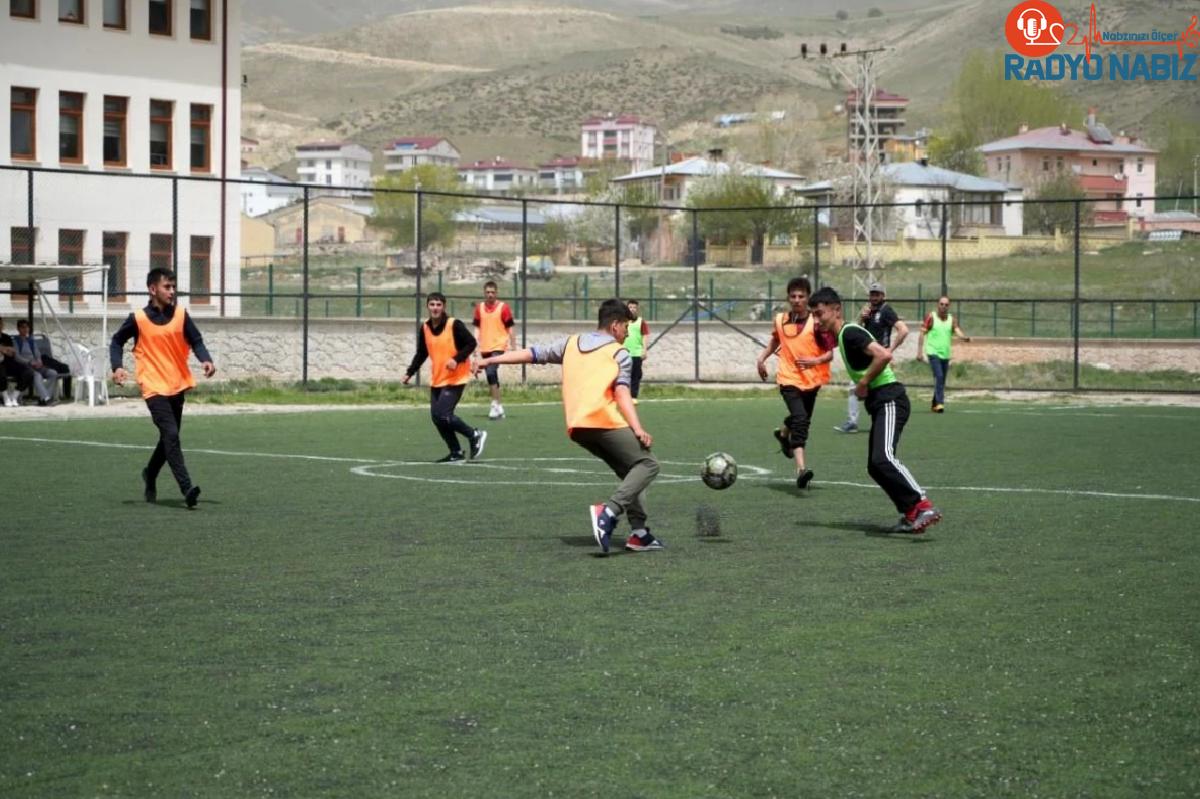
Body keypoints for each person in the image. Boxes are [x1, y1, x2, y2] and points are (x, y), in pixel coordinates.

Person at [476, 298, 662, 554]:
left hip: (577, 426)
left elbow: (533, 354)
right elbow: (621, 394)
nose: (628, 332)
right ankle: (608, 513)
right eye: (626, 327)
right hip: (602, 420)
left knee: (630, 472)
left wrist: (492, 361)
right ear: (615, 325)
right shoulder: (620, 353)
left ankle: (639, 533)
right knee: (648, 464)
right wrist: (638, 428)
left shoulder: (570, 343)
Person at [809, 286, 942, 534]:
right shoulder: (842, 336)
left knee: (884, 458)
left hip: (890, 398)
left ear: (836, 310)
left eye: (820, 313)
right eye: (813, 315)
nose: (817, 320)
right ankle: (911, 515)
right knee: (875, 465)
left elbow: (883, 356)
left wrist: (862, 383)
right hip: (880, 402)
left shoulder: (849, 332)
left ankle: (922, 505)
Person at [109, 268, 215, 508]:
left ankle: (150, 473)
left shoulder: (180, 315)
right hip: (153, 387)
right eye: (167, 287)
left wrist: (205, 359)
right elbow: (116, 341)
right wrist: (117, 367)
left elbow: (196, 340)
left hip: (176, 385)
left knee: (168, 439)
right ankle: (187, 488)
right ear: (153, 289)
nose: (172, 291)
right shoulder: (138, 319)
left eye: (174, 287)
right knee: (171, 435)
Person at [755, 276, 835, 490]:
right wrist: (761, 358)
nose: (797, 299)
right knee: (801, 420)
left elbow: (829, 354)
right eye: (793, 296)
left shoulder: (817, 323)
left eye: (801, 296)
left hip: (811, 381)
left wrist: (815, 360)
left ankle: (783, 434)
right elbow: (775, 339)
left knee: (801, 417)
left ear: (808, 298)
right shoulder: (781, 320)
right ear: (788, 298)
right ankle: (801, 470)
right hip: (788, 378)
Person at [404, 292, 488, 463]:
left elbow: (471, 343)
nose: (435, 308)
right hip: (438, 379)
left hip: (456, 377)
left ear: (444, 307)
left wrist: (456, 359)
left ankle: (474, 434)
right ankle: (456, 452)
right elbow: (422, 353)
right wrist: (410, 372)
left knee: (444, 414)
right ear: (427, 306)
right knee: (436, 417)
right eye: (432, 304)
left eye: (438, 304)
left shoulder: (453, 324)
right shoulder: (425, 328)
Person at [834, 282, 908, 433]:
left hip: (877, 358)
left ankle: (857, 422)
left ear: (883, 296)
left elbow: (903, 330)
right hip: (866, 356)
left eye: (877, 294)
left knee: (867, 389)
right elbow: (858, 331)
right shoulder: (868, 311)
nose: (874, 297)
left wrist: (889, 350)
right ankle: (866, 421)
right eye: (872, 294)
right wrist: (862, 318)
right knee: (864, 389)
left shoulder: (886, 310)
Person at [917, 295, 970, 413]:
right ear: (938, 305)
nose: (944, 307)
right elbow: (922, 334)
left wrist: (963, 337)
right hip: (932, 352)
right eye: (941, 304)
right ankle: (940, 403)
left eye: (946, 305)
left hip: (945, 354)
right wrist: (920, 351)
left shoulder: (952, 319)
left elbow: (957, 330)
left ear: (949, 306)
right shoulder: (931, 317)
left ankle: (934, 404)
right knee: (939, 376)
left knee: (941, 379)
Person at [472, 280, 515, 420]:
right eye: (488, 292)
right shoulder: (479, 308)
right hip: (485, 347)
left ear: (496, 293)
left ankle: (494, 404)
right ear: (484, 293)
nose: (490, 294)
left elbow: (510, 328)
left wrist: (514, 348)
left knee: (491, 372)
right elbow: (477, 328)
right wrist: (475, 346)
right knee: (492, 376)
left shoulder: (503, 307)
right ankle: (499, 407)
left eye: (492, 292)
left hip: (499, 346)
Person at [14, 319, 70, 404]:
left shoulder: (31, 341)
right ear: (18, 329)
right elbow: (17, 357)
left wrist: (39, 361)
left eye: (27, 327)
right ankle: (46, 399)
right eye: (22, 327)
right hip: (25, 366)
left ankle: (43, 398)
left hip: (36, 365)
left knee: (53, 373)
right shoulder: (15, 341)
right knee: (38, 375)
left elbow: (37, 353)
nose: (25, 329)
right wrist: (29, 362)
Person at [624, 299, 650, 403]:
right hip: (624, 353)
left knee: (636, 375)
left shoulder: (641, 322)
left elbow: (645, 336)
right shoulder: (623, 321)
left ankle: (633, 397)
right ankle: (622, 396)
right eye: (630, 307)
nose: (632, 309)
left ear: (637, 309)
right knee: (624, 375)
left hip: (636, 353)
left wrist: (644, 350)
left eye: (634, 307)